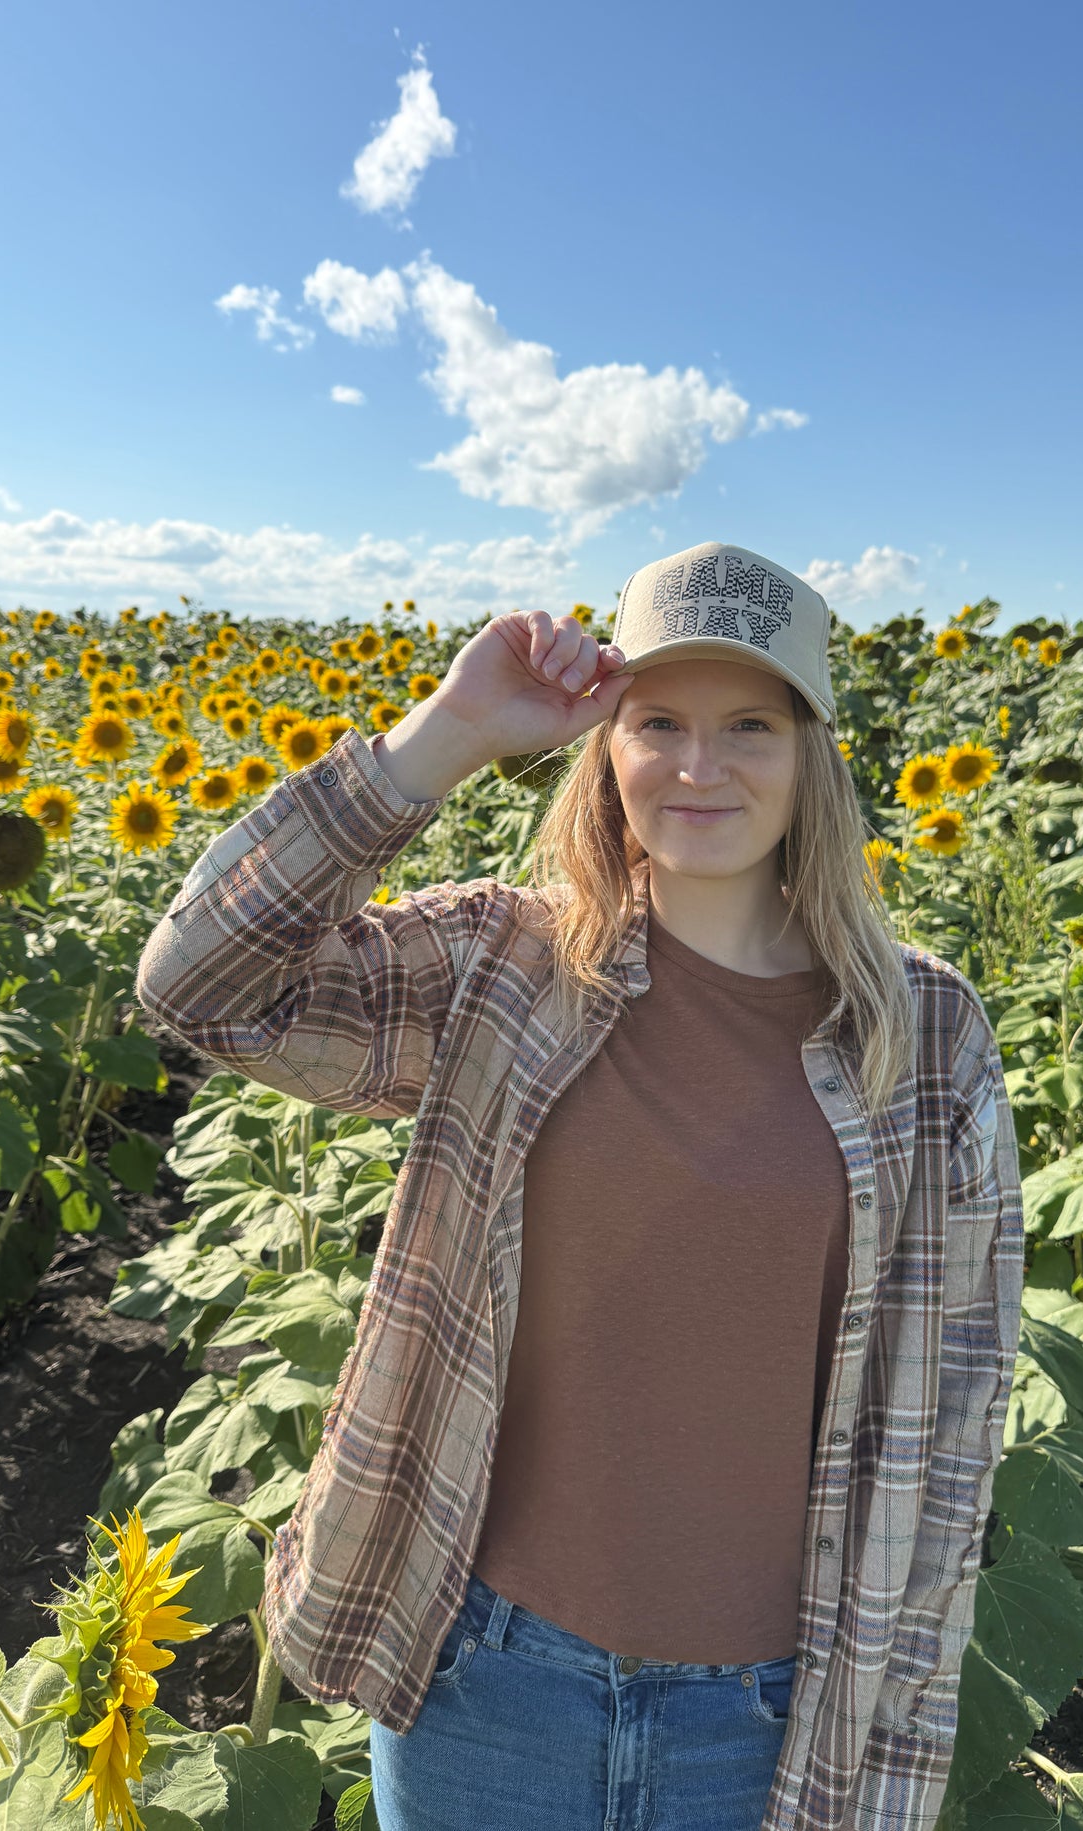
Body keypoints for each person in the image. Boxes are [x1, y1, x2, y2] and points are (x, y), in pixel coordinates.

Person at [134, 541, 1025, 1831]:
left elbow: (952, 1414)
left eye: (750, 727)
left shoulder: (924, 1034)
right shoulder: (507, 965)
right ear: (605, 740)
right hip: (485, 1682)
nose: (698, 767)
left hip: (765, 1716)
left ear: (813, 755)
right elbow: (198, 986)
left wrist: (878, 1755)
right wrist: (446, 734)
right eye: (656, 720)